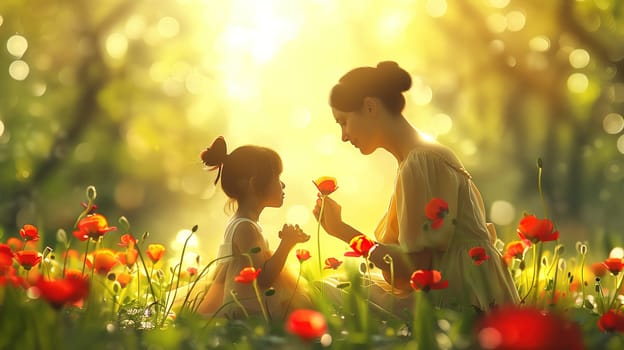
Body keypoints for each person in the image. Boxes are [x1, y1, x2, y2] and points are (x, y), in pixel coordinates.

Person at [313, 61, 519, 312]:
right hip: (459, 285)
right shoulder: (416, 159)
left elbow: (415, 269)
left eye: (343, 122)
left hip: (458, 296)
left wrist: (343, 231)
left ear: (369, 107)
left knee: (325, 293)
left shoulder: (421, 162)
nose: (344, 135)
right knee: (336, 285)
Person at [192, 136, 313, 320]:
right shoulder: (245, 227)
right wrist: (286, 244)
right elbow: (263, 277)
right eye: (277, 177)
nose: (283, 184)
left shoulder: (244, 222)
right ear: (254, 183)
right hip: (246, 314)